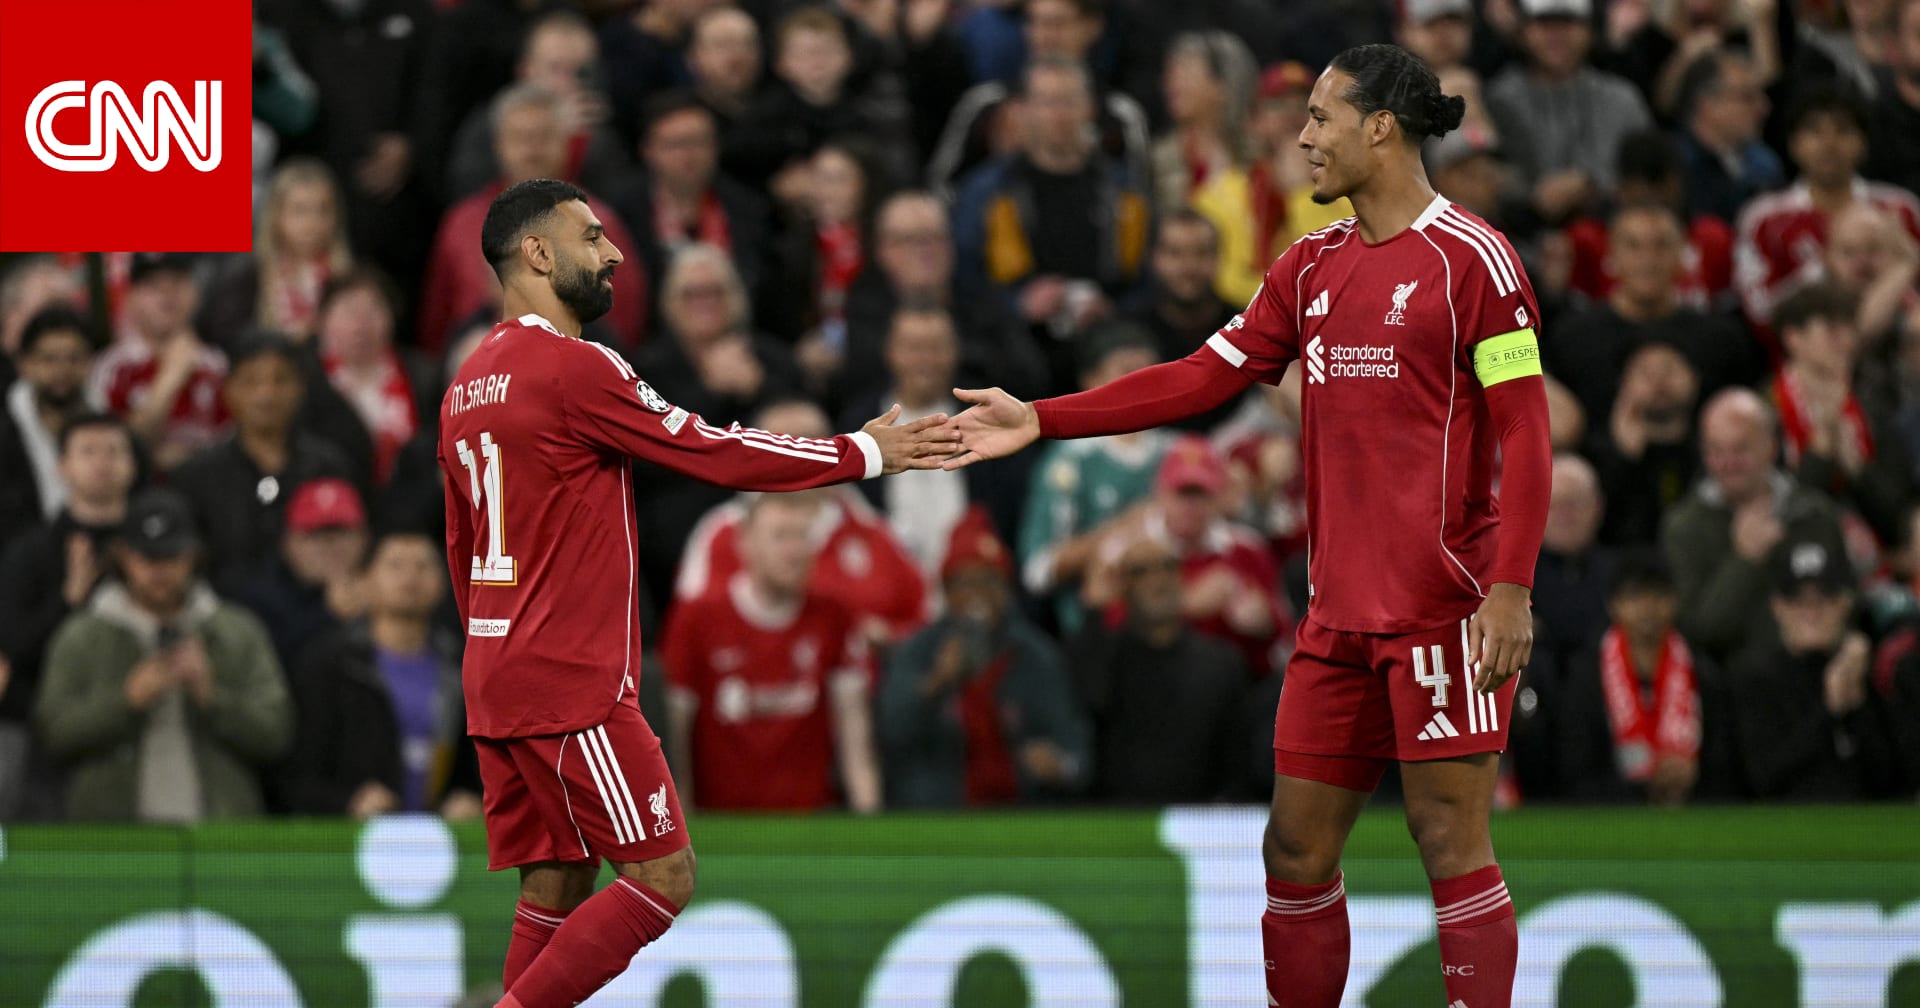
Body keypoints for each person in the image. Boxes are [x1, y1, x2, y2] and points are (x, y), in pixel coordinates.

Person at [943, 45, 1549, 1007]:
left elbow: (1526, 430)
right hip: (1334, 620)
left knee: (1447, 840)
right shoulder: (1309, 266)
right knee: (1293, 850)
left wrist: (1510, 588)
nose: (1302, 138)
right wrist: (1042, 418)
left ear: (1380, 128)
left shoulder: (1472, 260)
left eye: (1320, 117)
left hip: (1443, 609)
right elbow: (1200, 375)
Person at [436, 178, 952, 1008]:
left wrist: (496, 655)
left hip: (497, 675)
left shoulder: (467, 383)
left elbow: (461, 546)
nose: (613, 253)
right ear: (535, 253)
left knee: (558, 878)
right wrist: (860, 452)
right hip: (567, 678)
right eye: (591, 237)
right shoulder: (573, 366)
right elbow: (713, 449)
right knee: (662, 876)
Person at [34, 489, 293, 822]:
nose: (158, 569)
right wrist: (126, 700)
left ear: (193, 555)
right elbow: (52, 734)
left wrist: (212, 698)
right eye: (146, 556)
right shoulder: (83, 636)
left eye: (171, 556)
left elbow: (276, 735)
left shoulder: (237, 632)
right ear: (122, 556)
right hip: (112, 837)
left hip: (218, 835)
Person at [662, 492, 882, 813]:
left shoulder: (833, 617)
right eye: (780, 536)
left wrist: (869, 825)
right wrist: (681, 826)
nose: (794, 551)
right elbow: (673, 737)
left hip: (810, 822)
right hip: (721, 823)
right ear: (745, 543)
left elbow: (856, 738)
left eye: (802, 536)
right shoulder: (696, 620)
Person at [879, 506, 1091, 807]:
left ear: (1006, 591)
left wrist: (1060, 765)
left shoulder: (1036, 655)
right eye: (965, 584)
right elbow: (889, 736)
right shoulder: (917, 652)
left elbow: (1078, 754)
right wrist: (936, 684)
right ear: (947, 592)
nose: (978, 595)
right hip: (937, 818)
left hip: (1021, 817)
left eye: (990, 581)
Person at [277, 527, 479, 818]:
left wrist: (473, 798)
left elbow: (478, 762)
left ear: (443, 583)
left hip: (443, 836)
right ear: (366, 580)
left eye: (423, 566)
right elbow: (297, 774)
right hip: (350, 837)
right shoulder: (329, 665)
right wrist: (347, 802)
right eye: (395, 565)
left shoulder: (463, 664)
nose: (410, 577)